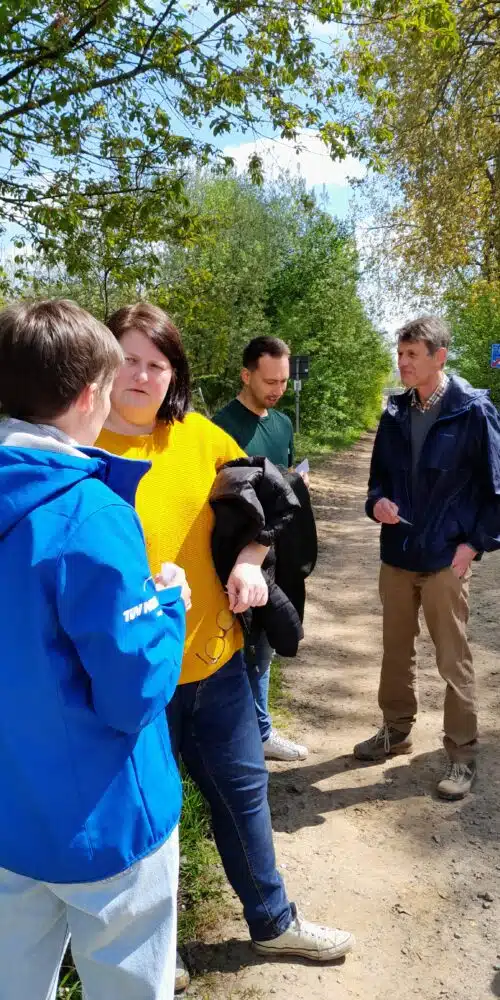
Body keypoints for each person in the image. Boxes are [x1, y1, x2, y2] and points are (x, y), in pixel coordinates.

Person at [97, 303, 354, 990]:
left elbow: (266, 503)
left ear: (174, 373)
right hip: (131, 685)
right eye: (127, 359)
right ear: (100, 362)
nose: (142, 375)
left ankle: (272, 922)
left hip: (215, 664)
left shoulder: (199, 436)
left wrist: (248, 559)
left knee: (245, 796)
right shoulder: (79, 444)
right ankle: (156, 947)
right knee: (147, 821)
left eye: (157, 363)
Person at [0, 299, 188, 1000]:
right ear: (88, 396)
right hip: (106, 826)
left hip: (11, 816)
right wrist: (168, 605)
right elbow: (133, 690)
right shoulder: (91, 513)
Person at [354, 315, 500, 800]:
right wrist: (377, 503)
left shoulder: (473, 411)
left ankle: (461, 754)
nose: (402, 362)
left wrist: (474, 544)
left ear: (440, 357)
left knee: (453, 658)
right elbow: (377, 481)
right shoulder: (394, 412)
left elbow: (495, 489)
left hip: (445, 560)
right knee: (396, 652)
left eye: (412, 354)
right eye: (400, 354)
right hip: (397, 555)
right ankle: (395, 731)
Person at [213, 336, 310, 761]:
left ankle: (258, 732)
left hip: (278, 549)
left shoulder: (283, 423)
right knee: (242, 647)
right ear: (246, 375)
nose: (278, 390)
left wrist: (297, 483)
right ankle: (247, 736)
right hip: (237, 555)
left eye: (283, 382)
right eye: (270, 381)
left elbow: (282, 476)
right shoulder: (220, 427)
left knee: (266, 643)